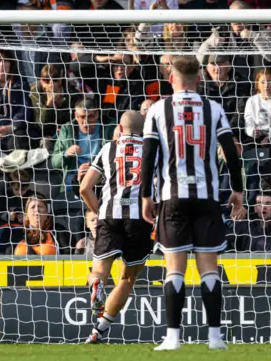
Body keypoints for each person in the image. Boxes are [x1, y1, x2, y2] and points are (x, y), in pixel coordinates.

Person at [140, 56, 246, 351]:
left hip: (172, 198)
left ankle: (173, 338)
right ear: (199, 78)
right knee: (209, 268)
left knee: (174, 268)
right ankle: (215, 337)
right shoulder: (213, 108)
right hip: (207, 197)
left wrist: (145, 195)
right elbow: (231, 153)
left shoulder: (159, 109)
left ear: (171, 77)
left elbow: (148, 156)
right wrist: (237, 190)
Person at [79, 111, 153, 344]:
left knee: (100, 271)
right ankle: (102, 328)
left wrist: (100, 210)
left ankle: (97, 285)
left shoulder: (108, 148)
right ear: (143, 131)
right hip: (139, 219)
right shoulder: (154, 150)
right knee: (127, 278)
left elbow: (84, 188)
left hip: (109, 216)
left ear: (119, 129)